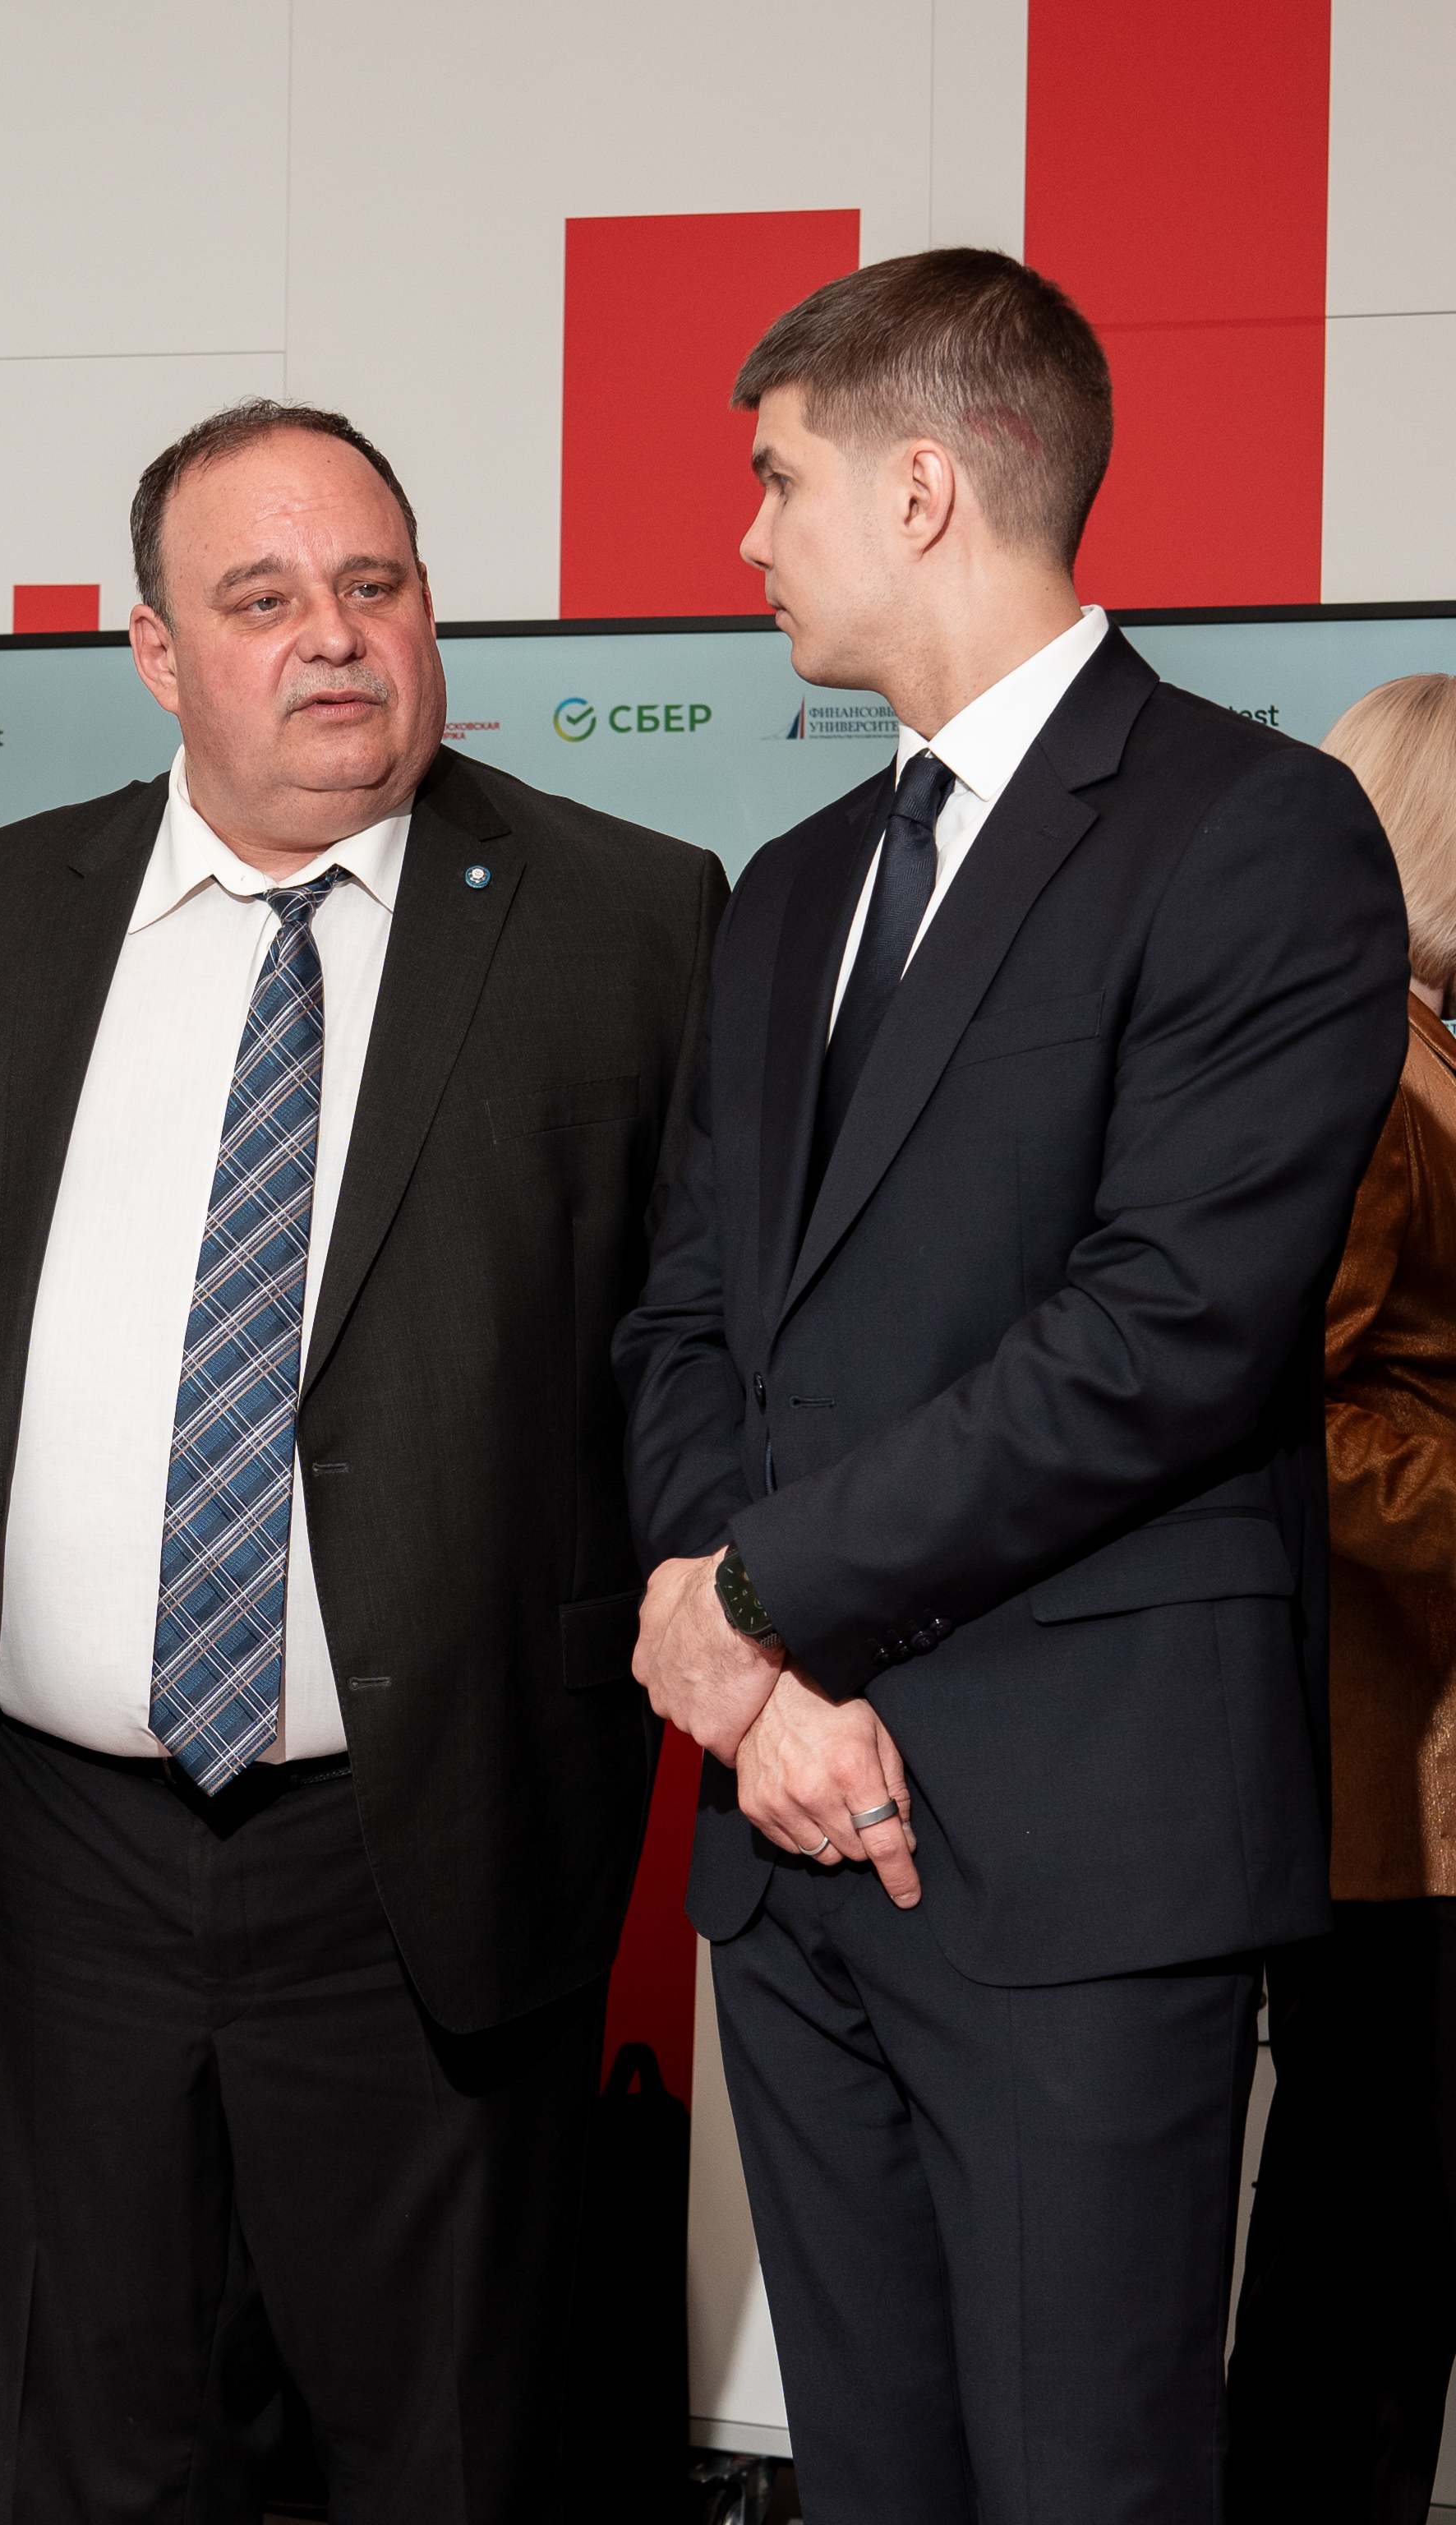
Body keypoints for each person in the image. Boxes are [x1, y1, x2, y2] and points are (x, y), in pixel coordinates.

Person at [0, 398, 722, 2524]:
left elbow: (693, 1355)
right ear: (157, 654)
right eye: (261, 598)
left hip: (429, 1859)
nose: (333, 636)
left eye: (373, 583)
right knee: (99, 2458)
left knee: (443, 2461)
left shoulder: (629, 919)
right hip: (59, 1862)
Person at [612, 247, 1412, 2523]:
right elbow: (690, 1318)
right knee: (879, 2483)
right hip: (789, 1828)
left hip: (1078, 1853)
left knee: (1085, 2483)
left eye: (778, 481)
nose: (746, 536)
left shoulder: (1252, 832)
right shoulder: (791, 886)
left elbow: (1166, 1339)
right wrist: (759, 1696)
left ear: (922, 489)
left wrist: (756, 1601)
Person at [1227, 672, 1456, 2525]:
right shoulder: (1372, 1067)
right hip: (1388, 1779)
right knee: (1367, 2255)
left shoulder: (1411, 1046)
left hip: (1407, 1768)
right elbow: (1282, 1407)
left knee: (1381, 2247)